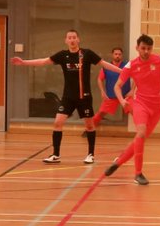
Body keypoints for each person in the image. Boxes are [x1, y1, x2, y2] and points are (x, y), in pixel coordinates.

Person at [11, 29, 122, 164]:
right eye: (69, 38)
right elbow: (44, 62)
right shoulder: (63, 56)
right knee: (57, 123)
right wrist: (24, 62)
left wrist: (123, 71)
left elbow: (105, 64)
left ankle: (90, 154)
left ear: (78, 39)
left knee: (89, 126)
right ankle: (56, 154)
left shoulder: (87, 54)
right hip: (68, 97)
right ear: (66, 40)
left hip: (84, 97)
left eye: (74, 37)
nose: (72, 40)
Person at [103, 34, 160, 186]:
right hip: (140, 104)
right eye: (143, 48)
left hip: (158, 107)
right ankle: (138, 173)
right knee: (141, 132)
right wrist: (122, 100)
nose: (146, 51)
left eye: (149, 49)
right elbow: (117, 86)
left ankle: (118, 162)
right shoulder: (131, 66)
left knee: (140, 138)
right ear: (137, 48)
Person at [90, 46, 133, 128]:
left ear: (122, 55)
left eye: (119, 54)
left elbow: (136, 77)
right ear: (112, 55)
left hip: (126, 96)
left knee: (136, 112)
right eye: (116, 54)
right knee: (101, 113)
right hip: (111, 95)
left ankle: (143, 133)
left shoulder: (127, 66)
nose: (117, 56)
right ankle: (89, 129)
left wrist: (132, 91)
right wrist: (102, 91)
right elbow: (99, 79)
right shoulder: (106, 67)